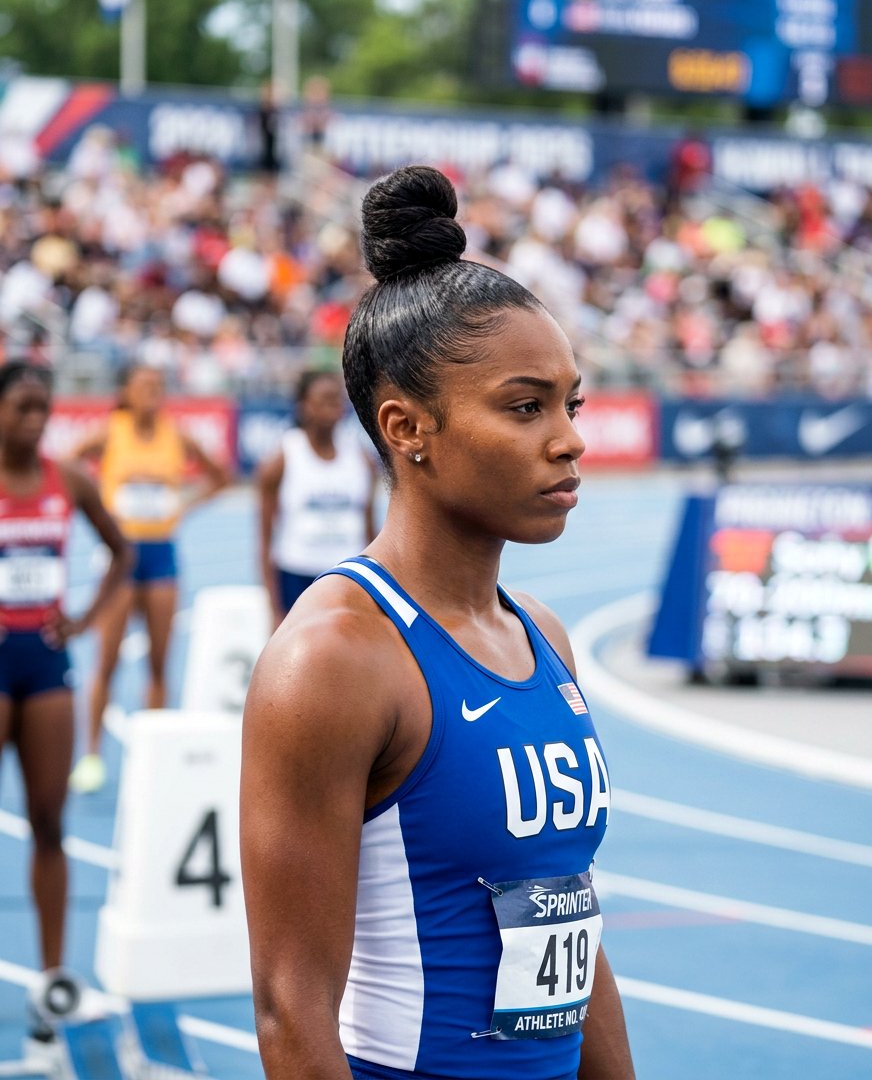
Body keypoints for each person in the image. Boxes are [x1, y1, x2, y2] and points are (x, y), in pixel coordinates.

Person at [241, 166, 636, 1080]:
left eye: (571, 403)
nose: (570, 438)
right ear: (406, 427)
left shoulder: (543, 637)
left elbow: (568, 920)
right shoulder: (333, 659)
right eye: (525, 407)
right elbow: (289, 1010)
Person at [0, 363, 131, 1043]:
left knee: (50, 824)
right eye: (21, 407)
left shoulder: (68, 480)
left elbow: (121, 551)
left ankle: (53, 981)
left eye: (41, 408)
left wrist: (82, 621)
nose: (34, 419)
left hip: (46, 667)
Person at [68, 364, 230, 793]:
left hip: (161, 556)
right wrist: (99, 508)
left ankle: (154, 756)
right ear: (126, 392)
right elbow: (65, 468)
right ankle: (91, 755)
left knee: (159, 662)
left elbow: (221, 476)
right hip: (119, 558)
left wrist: (185, 508)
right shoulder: (109, 433)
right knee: (107, 661)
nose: (153, 393)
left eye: (158, 386)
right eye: (144, 387)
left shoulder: (177, 436)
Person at [256, 370, 378, 626]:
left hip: (348, 576)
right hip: (296, 576)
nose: (333, 406)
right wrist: (273, 607)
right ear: (303, 406)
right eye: (323, 400)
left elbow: (371, 529)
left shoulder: (361, 458)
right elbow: (265, 540)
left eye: (337, 399)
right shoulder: (281, 459)